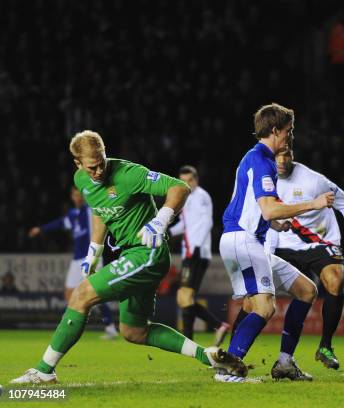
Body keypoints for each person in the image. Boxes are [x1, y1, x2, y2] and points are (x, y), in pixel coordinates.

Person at [11, 130, 246, 384]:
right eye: (92, 167)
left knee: (81, 295)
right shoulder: (82, 180)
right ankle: (207, 356)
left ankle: (44, 371)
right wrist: (94, 249)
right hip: (132, 255)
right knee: (134, 331)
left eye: (102, 162)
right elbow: (100, 210)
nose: (99, 170)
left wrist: (161, 220)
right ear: (78, 164)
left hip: (148, 253)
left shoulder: (128, 173)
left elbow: (180, 187)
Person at [219, 103, 334, 382]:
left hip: (246, 239)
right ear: (275, 130)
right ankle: (228, 369)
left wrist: (273, 223)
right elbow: (269, 208)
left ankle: (284, 363)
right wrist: (313, 204)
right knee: (264, 307)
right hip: (243, 240)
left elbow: (260, 209)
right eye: (288, 130)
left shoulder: (259, 159)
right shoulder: (261, 160)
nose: (290, 136)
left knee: (307, 290)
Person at [265, 146, 344, 369]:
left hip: (320, 241)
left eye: (287, 156)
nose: (282, 160)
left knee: (335, 280)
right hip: (284, 243)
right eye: (277, 156)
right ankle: (235, 351)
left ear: (293, 156)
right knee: (259, 297)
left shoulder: (313, 180)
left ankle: (325, 347)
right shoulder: (265, 182)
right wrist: (267, 252)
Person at [28, 186, 119, 340]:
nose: (78, 198)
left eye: (80, 195)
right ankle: (71, 325)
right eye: (75, 195)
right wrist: (41, 229)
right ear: (72, 196)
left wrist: (111, 190)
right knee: (69, 293)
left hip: (92, 257)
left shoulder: (90, 211)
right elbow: (60, 223)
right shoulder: (73, 214)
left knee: (97, 294)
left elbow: (107, 203)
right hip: (77, 259)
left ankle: (110, 327)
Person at [169, 165, 229, 344]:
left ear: (196, 180)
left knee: (184, 296)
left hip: (198, 252)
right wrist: (168, 232)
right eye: (183, 181)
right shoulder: (186, 197)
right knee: (183, 297)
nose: (187, 184)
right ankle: (216, 327)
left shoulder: (201, 196)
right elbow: (185, 224)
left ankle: (191, 339)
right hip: (190, 251)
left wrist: (195, 247)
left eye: (190, 180)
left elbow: (207, 222)